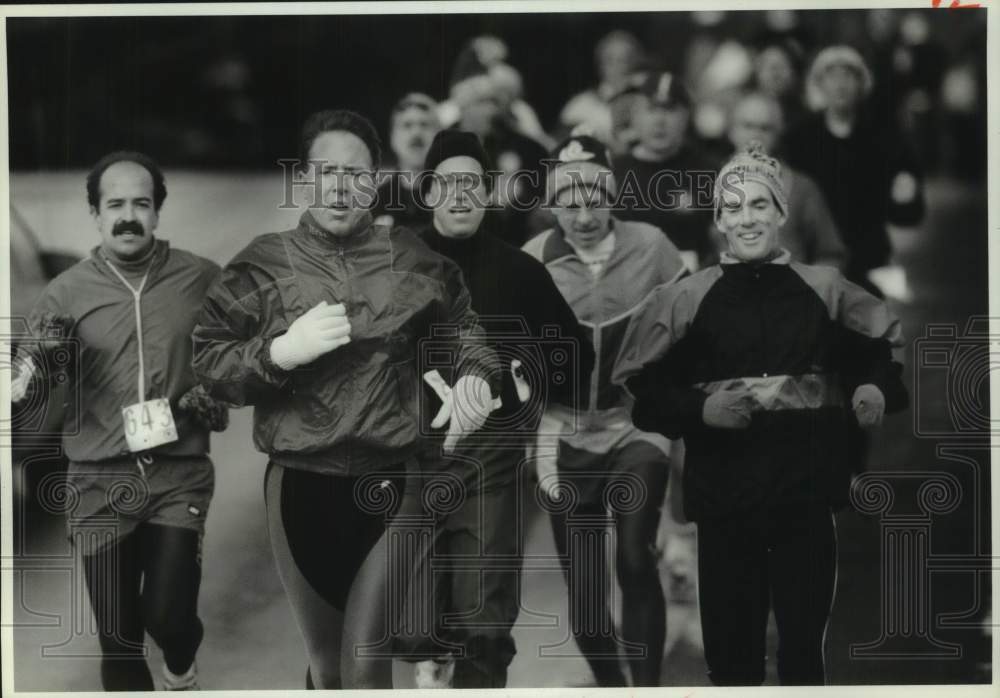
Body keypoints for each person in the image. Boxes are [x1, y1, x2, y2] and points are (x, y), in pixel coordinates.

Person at [191, 110, 499, 689]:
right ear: (305, 179)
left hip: (392, 484)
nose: (340, 188)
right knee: (329, 672)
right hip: (299, 488)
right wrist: (279, 353)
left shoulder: (409, 257)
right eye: (326, 172)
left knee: (364, 671)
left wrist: (477, 377)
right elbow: (209, 361)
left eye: (355, 174)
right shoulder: (264, 263)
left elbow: (465, 328)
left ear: (376, 179)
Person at [614, 144, 908, 686]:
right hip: (725, 506)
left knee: (802, 656)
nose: (747, 218)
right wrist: (700, 408)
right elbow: (642, 388)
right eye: (734, 208)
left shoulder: (824, 289)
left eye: (759, 204)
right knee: (732, 662)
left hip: (806, 500)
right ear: (718, 221)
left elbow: (877, 348)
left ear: (780, 213)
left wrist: (873, 385)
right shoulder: (686, 299)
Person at [10, 151, 227, 691]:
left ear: (157, 212)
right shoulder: (63, 293)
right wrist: (38, 373)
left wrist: (219, 395)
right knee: (120, 641)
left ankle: (181, 664)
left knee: (168, 617)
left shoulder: (202, 278)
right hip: (96, 483)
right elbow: (28, 388)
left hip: (178, 475)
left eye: (141, 204)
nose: (128, 216)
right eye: (115, 205)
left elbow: (237, 353)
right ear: (95, 213)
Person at [391, 130, 594, 688]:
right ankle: (433, 657)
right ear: (427, 191)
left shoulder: (518, 272)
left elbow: (576, 358)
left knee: (484, 623)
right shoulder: (391, 263)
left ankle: (472, 668)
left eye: (472, 184)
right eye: (447, 183)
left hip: (488, 462)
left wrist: (524, 381)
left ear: (489, 193)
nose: (460, 196)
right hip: (405, 461)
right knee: (409, 629)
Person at [522, 135, 688, 687]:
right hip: (561, 434)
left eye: (596, 198)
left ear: (613, 197)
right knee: (589, 605)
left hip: (635, 428)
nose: (585, 215)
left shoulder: (653, 247)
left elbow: (695, 325)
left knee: (636, 559)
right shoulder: (533, 261)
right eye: (569, 202)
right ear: (552, 207)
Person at [784, 45, 925, 296]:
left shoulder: (884, 139)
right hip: (814, 263)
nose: (840, 85)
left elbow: (908, 213)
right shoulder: (798, 140)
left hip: (868, 263)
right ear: (819, 84)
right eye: (832, 76)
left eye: (848, 75)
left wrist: (906, 195)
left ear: (862, 84)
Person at [444, 37, 550, 247]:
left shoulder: (529, 149)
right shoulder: (441, 146)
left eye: (495, 102)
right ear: (464, 106)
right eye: (483, 102)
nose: (491, 111)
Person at [612, 71, 720, 271]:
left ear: (686, 116)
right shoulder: (612, 173)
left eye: (669, 110)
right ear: (635, 116)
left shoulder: (710, 173)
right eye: (651, 109)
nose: (660, 121)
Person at [727, 91, 846, 268]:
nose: (756, 135)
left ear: (778, 135)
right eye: (748, 126)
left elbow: (831, 254)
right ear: (731, 131)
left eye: (765, 128)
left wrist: (809, 289)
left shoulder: (803, 188)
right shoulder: (707, 183)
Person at [559, 30, 648, 146]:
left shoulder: (646, 102)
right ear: (600, 65)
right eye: (610, 60)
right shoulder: (580, 105)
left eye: (625, 60)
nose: (618, 67)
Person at [373, 93, 440, 229]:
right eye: (407, 125)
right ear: (392, 137)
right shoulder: (374, 204)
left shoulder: (455, 200)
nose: (416, 133)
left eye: (424, 125)